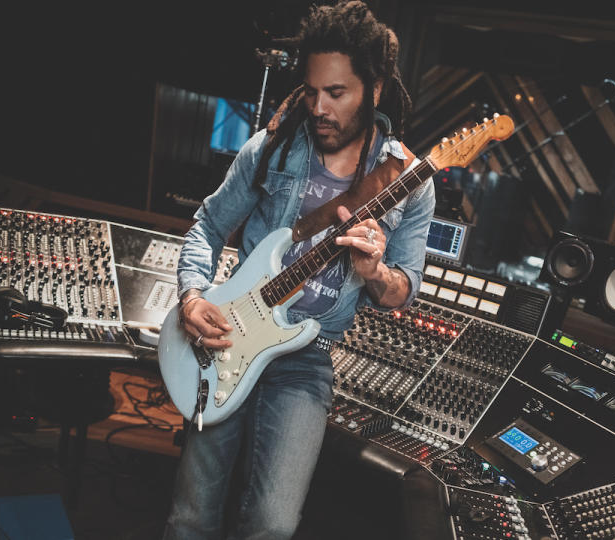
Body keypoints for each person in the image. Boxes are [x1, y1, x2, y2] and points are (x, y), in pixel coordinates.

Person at [164, 2, 435, 538]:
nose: (319, 107)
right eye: (312, 92)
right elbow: (207, 227)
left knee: (273, 525)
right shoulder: (269, 149)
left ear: (374, 90)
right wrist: (194, 297)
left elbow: (403, 291)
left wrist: (376, 271)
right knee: (190, 515)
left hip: (306, 358)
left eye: (337, 93)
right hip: (226, 337)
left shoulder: (409, 182)